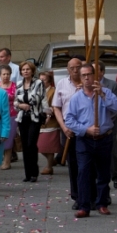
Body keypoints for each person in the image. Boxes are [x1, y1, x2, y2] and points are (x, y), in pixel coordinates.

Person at [65, 64, 117, 217]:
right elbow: (69, 119)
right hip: (85, 140)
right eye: (84, 75)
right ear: (80, 78)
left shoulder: (106, 92)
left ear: (95, 76)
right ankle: (84, 205)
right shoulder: (76, 98)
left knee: (103, 172)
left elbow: (116, 108)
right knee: (83, 172)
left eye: (89, 74)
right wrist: (85, 129)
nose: (87, 78)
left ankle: (102, 203)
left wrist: (102, 94)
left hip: (104, 138)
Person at [52, 57, 83, 208]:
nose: (75, 70)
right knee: (74, 163)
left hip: (85, 129)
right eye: (72, 68)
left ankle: (90, 194)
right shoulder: (62, 84)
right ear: (68, 69)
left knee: (87, 163)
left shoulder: (87, 83)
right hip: (68, 129)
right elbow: (56, 107)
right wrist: (63, 127)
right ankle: (77, 195)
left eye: (78, 67)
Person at [14, 61, 47, 183]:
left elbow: (37, 98)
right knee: (24, 145)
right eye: (23, 69)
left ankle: (34, 172)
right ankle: (27, 174)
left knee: (31, 144)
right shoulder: (18, 84)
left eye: (28, 69)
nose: (25, 71)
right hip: (22, 117)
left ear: (32, 71)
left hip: (35, 117)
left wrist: (22, 102)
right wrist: (21, 105)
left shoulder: (39, 83)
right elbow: (15, 103)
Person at [95, 60, 117, 189]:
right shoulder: (86, 86)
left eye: (96, 71)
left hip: (109, 123)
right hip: (93, 125)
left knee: (113, 151)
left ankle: (115, 175)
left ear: (102, 72)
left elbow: (116, 105)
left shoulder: (112, 85)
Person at [37, 71, 59, 175]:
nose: (41, 82)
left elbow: (56, 107)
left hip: (51, 122)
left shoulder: (53, 91)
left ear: (49, 81)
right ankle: (52, 161)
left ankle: (49, 167)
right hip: (38, 122)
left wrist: (49, 111)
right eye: (40, 80)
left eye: (44, 80)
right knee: (39, 146)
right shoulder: (37, 91)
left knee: (48, 147)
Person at [0, 64, 18, 170]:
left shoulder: (14, 86)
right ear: (0, 75)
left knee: (8, 138)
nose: (6, 76)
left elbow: (17, 100)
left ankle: (7, 161)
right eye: (3, 74)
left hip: (11, 115)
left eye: (8, 74)